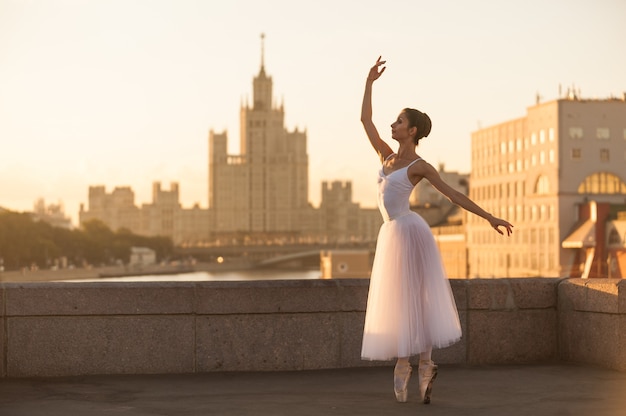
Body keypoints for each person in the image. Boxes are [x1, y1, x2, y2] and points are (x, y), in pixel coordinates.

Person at [359, 56, 513, 405]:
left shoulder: (420, 166)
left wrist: (489, 217)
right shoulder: (385, 157)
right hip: (391, 234)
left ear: (411, 130)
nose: (392, 124)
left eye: (399, 121)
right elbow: (365, 119)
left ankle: (420, 364)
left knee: (417, 298)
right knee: (401, 300)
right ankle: (416, 364)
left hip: (410, 233)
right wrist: (369, 82)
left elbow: (454, 194)